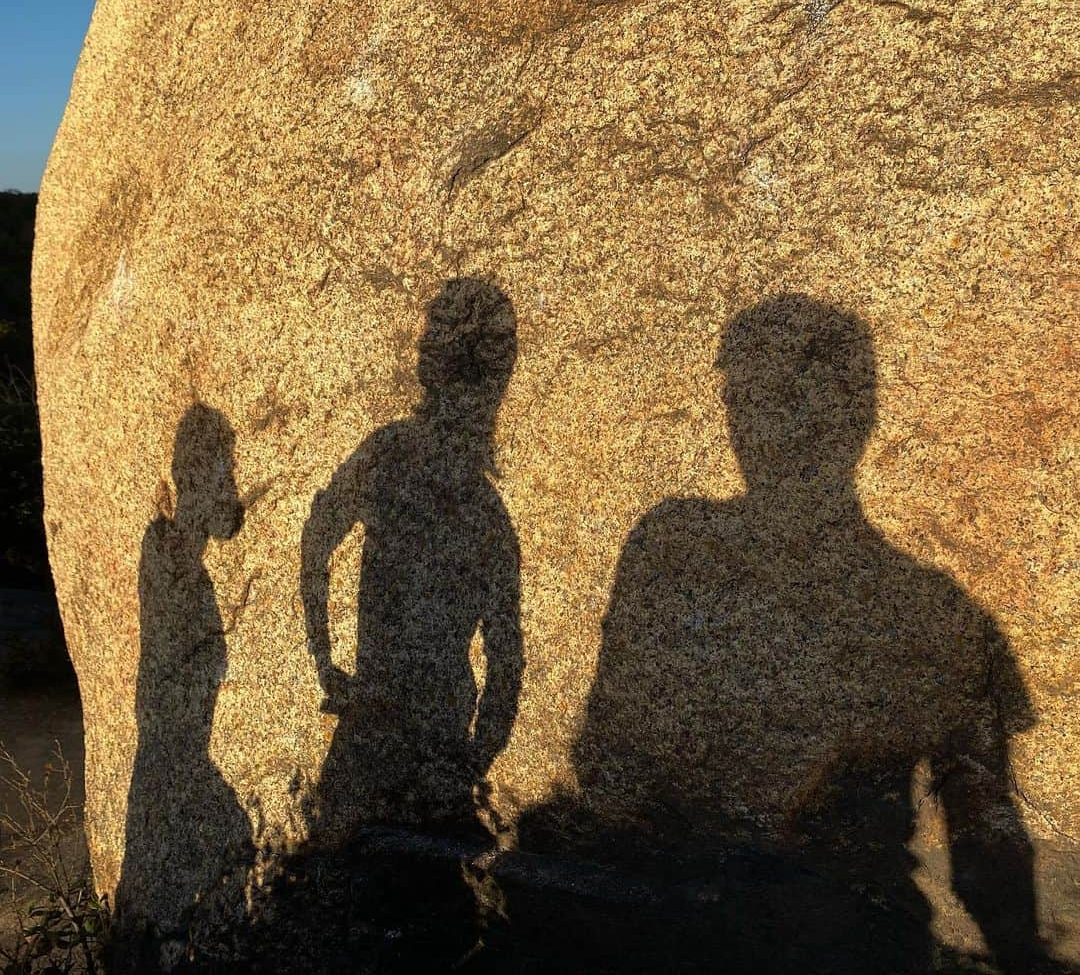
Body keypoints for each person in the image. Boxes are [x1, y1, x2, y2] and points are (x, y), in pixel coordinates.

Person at [565, 294, 1047, 972]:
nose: (766, 428)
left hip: (803, 937)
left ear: (858, 414)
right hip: (724, 931)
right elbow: (605, 759)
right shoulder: (673, 548)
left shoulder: (941, 618)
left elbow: (989, 847)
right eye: (745, 398)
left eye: (789, 399)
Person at [300, 277, 524, 965]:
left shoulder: (391, 455)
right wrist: (472, 756)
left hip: (381, 721)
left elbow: (316, 540)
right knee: (413, 909)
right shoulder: (487, 512)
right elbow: (508, 661)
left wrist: (325, 659)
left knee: (358, 901)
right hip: (433, 733)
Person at [116, 404, 252, 971]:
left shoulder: (179, 557)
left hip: (176, 757)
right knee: (222, 847)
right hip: (172, 756)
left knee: (199, 870)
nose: (232, 485)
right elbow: (167, 673)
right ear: (189, 475)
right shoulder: (166, 550)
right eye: (224, 471)